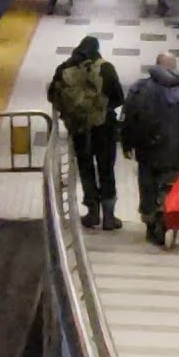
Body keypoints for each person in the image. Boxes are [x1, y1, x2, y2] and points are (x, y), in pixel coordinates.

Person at [121, 53, 179, 244]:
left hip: (145, 149)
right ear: (174, 69)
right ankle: (163, 216)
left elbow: (128, 118)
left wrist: (126, 144)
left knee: (147, 185)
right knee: (168, 185)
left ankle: (150, 223)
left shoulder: (138, 88)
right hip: (172, 150)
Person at [49, 36, 125, 229]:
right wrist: (101, 108)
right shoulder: (105, 68)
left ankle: (92, 213)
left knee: (85, 168)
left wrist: (72, 111)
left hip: (79, 128)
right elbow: (119, 97)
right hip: (104, 127)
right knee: (106, 168)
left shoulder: (64, 69)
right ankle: (109, 217)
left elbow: (52, 95)